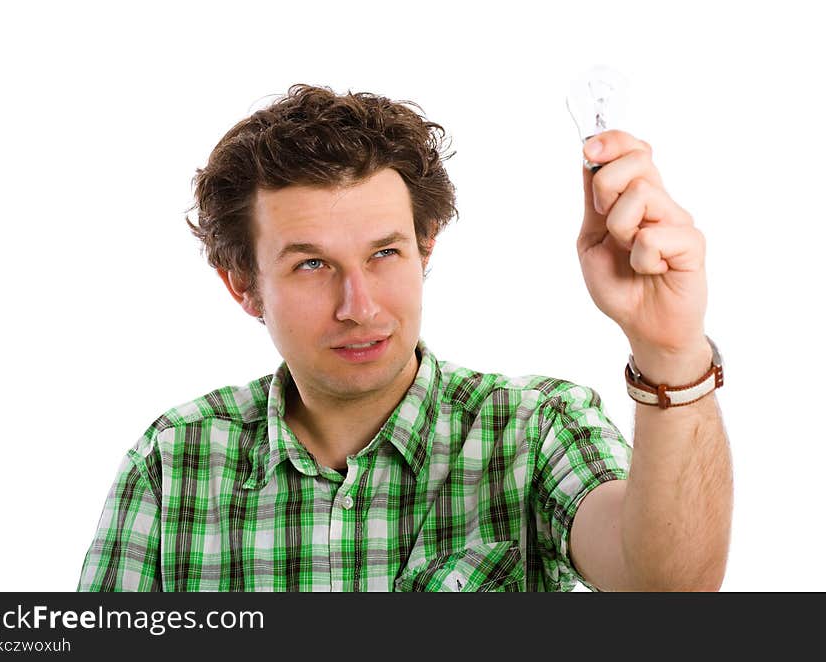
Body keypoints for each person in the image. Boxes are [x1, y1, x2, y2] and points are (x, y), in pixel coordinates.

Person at [77, 83, 732, 592]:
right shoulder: (175, 461)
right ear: (243, 286)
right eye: (311, 264)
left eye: (385, 254)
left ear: (424, 250)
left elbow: (669, 590)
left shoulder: (534, 431)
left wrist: (669, 350)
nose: (359, 307)